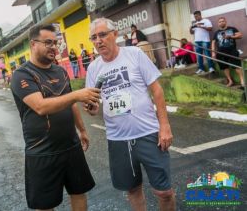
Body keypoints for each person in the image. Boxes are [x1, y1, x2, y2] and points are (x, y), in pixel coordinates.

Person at [85, 18, 175, 211]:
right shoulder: (93, 68)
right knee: (132, 190)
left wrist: (164, 125)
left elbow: (157, 90)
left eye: (102, 35)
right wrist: (92, 108)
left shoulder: (134, 54)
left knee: (164, 192)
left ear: (115, 35)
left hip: (148, 134)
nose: (98, 41)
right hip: (118, 140)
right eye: (94, 37)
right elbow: (94, 104)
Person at [10, 24, 100, 210]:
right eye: (48, 42)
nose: (54, 47)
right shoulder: (22, 75)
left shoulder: (60, 71)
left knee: (78, 192)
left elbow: (71, 103)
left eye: (56, 43)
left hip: (71, 146)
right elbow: (40, 107)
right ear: (33, 44)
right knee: (45, 205)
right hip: (42, 151)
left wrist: (82, 130)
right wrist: (77, 94)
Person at [212, 17, 243, 87]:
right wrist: (213, 52)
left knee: (236, 65)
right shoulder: (216, 33)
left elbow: (240, 35)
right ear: (218, 24)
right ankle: (230, 81)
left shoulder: (232, 29)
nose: (221, 22)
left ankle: (242, 80)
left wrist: (230, 37)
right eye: (220, 22)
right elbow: (213, 42)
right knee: (224, 67)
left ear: (225, 22)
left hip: (232, 51)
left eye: (223, 21)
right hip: (221, 52)